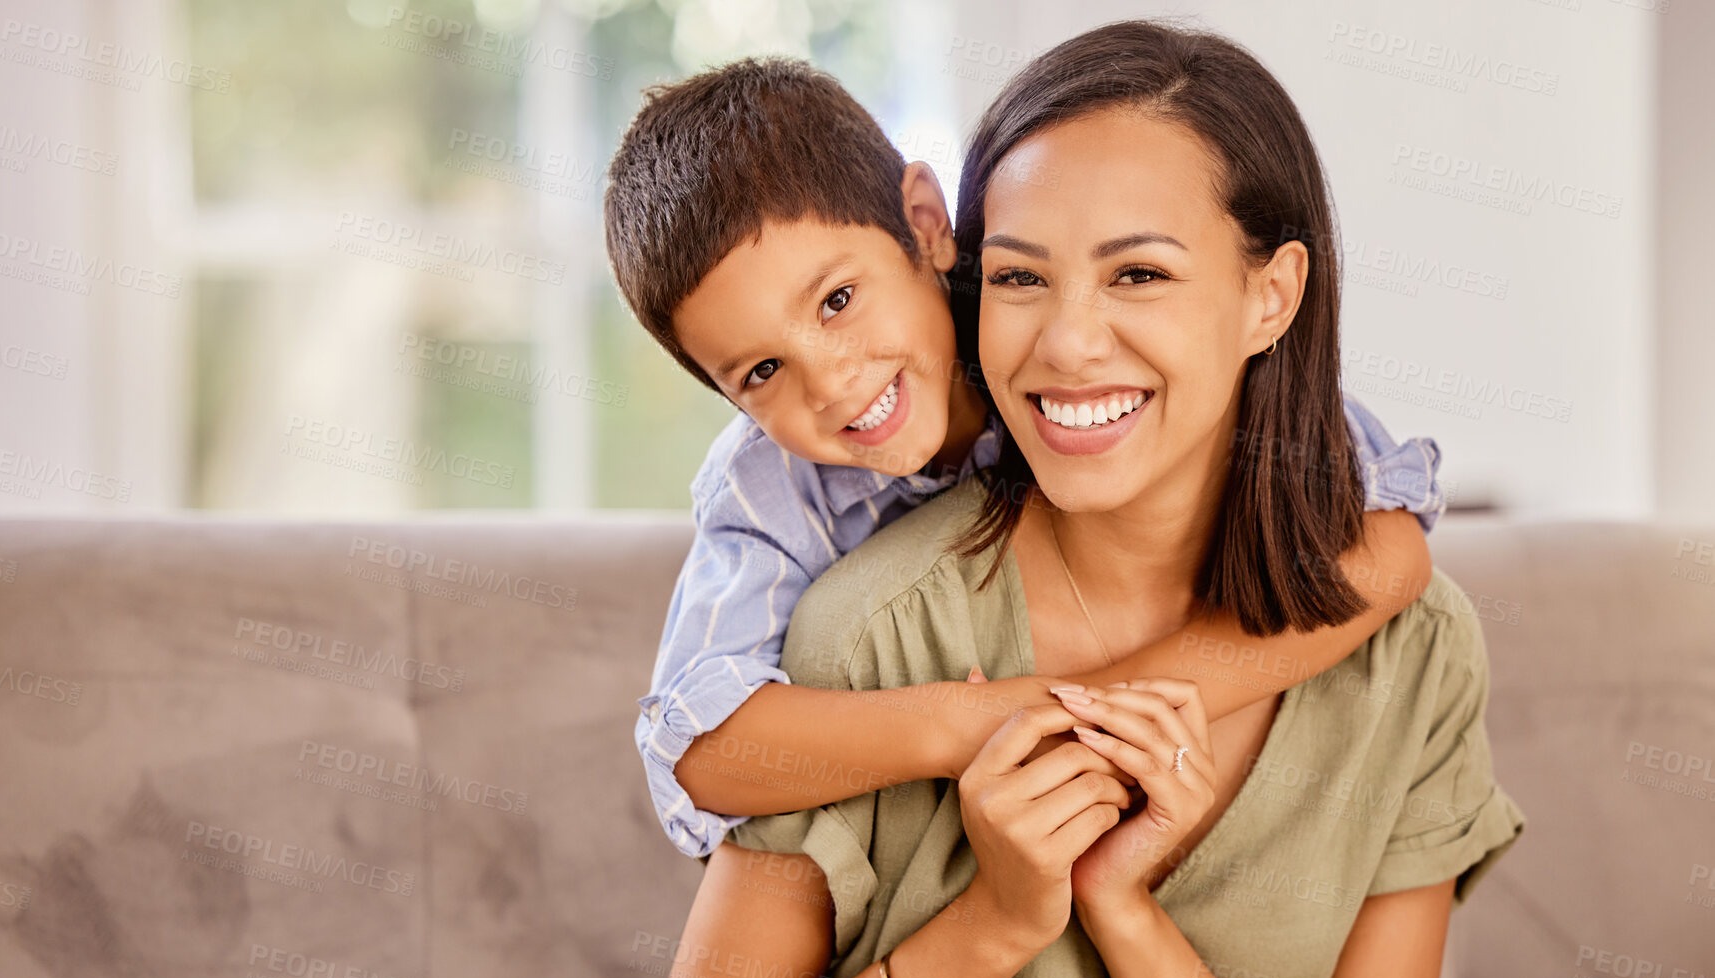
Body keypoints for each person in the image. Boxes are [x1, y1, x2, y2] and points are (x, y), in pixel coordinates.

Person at [633, 22, 1526, 978]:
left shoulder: (1411, 649)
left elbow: (1390, 541)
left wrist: (1117, 895)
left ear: (1270, 294)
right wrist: (994, 884)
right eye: (1020, 277)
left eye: (1139, 272)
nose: (1067, 341)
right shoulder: (846, 612)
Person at [602, 57, 1445, 861]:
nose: (831, 382)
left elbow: (1393, 540)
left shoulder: (1055, 338)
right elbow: (697, 753)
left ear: (927, 226)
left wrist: (1117, 707)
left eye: (838, 300)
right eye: (761, 371)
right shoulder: (770, 483)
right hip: (929, 842)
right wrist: (974, 724)